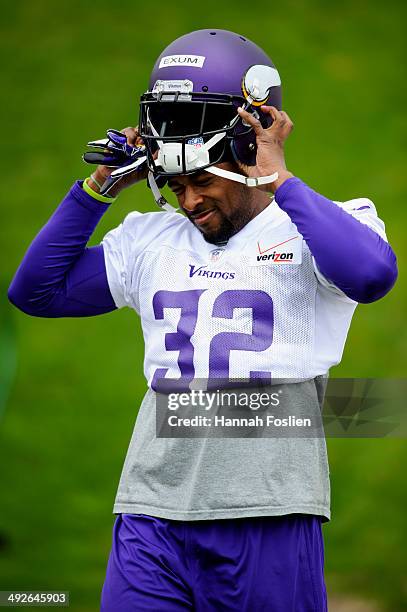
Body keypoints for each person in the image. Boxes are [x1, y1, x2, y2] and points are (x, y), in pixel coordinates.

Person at [8, 29, 397, 611]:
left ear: (246, 151)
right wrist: (97, 189)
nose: (189, 201)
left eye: (203, 181)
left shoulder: (322, 223)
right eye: (179, 185)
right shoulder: (152, 239)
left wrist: (279, 181)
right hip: (151, 509)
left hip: (267, 512)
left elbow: (371, 277)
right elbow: (35, 290)